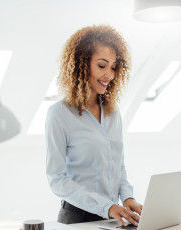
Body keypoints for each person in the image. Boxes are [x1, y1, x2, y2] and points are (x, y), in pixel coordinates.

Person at [45, 25, 142, 226]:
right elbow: (56, 178)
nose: (109, 75)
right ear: (81, 64)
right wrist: (105, 206)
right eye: (101, 65)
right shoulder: (59, 114)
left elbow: (118, 166)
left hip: (113, 217)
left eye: (114, 67)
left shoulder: (113, 113)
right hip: (77, 219)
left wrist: (128, 197)